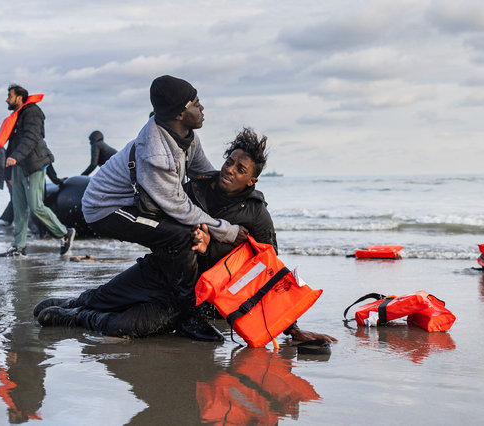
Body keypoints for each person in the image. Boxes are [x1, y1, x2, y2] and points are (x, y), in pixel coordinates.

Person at [36, 128, 336, 344]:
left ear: (252, 179)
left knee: (127, 326)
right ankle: (76, 302)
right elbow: (163, 229)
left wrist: (292, 329)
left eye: (240, 168)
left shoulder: (256, 214)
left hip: (193, 294)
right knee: (102, 297)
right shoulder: (195, 188)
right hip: (158, 270)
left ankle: (76, 317)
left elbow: (269, 271)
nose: (229, 169)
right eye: (229, 161)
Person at [80, 75, 247, 336]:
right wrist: (225, 230)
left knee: (177, 241)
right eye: (197, 103)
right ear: (181, 113)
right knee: (180, 237)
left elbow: (204, 175)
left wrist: (241, 188)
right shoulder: (155, 153)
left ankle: (97, 300)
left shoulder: (188, 136)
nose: (202, 108)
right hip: (106, 207)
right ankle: (188, 316)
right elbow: (178, 206)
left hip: (139, 202)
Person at [0, 84, 75, 257]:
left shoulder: (33, 112)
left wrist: (16, 157)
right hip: (17, 167)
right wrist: (7, 173)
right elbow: (12, 145)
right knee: (19, 208)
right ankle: (19, 246)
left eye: (9, 96)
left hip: (34, 164)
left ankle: (64, 233)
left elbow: (31, 138)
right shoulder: (16, 116)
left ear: (19, 97)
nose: (6, 99)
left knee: (36, 206)